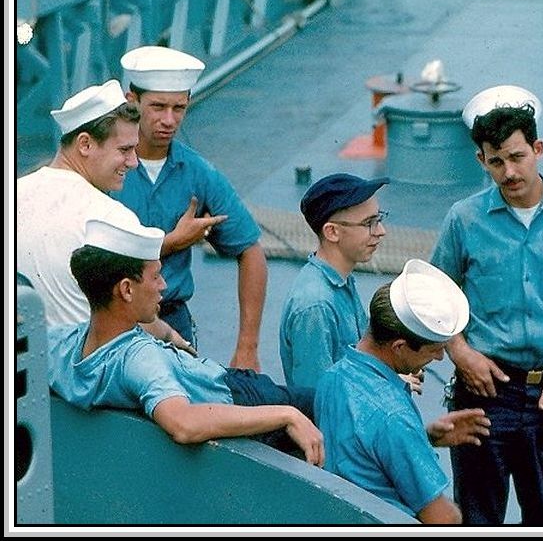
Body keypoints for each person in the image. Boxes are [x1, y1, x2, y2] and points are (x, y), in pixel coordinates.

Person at [430, 85, 543, 525]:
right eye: (496, 162)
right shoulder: (464, 219)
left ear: (538, 148)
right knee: (478, 517)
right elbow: (434, 297)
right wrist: (460, 352)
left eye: (517, 157)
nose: (509, 171)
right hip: (482, 393)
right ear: (482, 161)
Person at [48, 216, 324, 466]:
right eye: (155, 276)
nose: (163, 286)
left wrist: (169, 336)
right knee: (334, 400)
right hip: (237, 398)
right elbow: (184, 423)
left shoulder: (64, 344)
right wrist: (287, 415)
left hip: (211, 379)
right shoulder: (140, 359)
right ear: (126, 289)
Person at [113, 45, 267, 371]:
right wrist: (172, 242)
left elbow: (250, 249)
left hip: (171, 322)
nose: (169, 120)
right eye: (157, 107)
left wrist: (247, 348)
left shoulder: (198, 173)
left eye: (179, 108)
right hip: (112, 323)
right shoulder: (106, 170)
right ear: (132, 101)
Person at [16, 80, 190, 350]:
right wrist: (174, 339)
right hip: (90, 377)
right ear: (84, 144)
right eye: (124, 150)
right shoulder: (110, 218)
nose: (133, 162)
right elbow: (137, 314)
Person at [315, 259, 491, 524]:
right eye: (434, 350)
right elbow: (442, 519)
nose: (441, 358)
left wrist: (424, 437)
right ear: (399, 346)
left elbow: (364, 452)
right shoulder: (394, 417)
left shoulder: (334, 377)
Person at [279, 173, 389, 389]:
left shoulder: (342, 279)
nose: (381, 231)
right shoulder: (315, 305)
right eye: (369, 223)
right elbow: (317, 398)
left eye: (379, 219)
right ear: (332, 232)